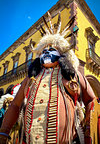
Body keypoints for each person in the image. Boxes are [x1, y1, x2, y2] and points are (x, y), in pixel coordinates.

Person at [0, 12, 96, 144]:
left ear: (62, 53)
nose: (46, 52)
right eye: (43, 50)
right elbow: (15, 105)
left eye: (51, 49)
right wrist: (4, 131)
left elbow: (91, 100)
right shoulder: (30, 79)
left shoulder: (74, 76)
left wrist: (89, 128)